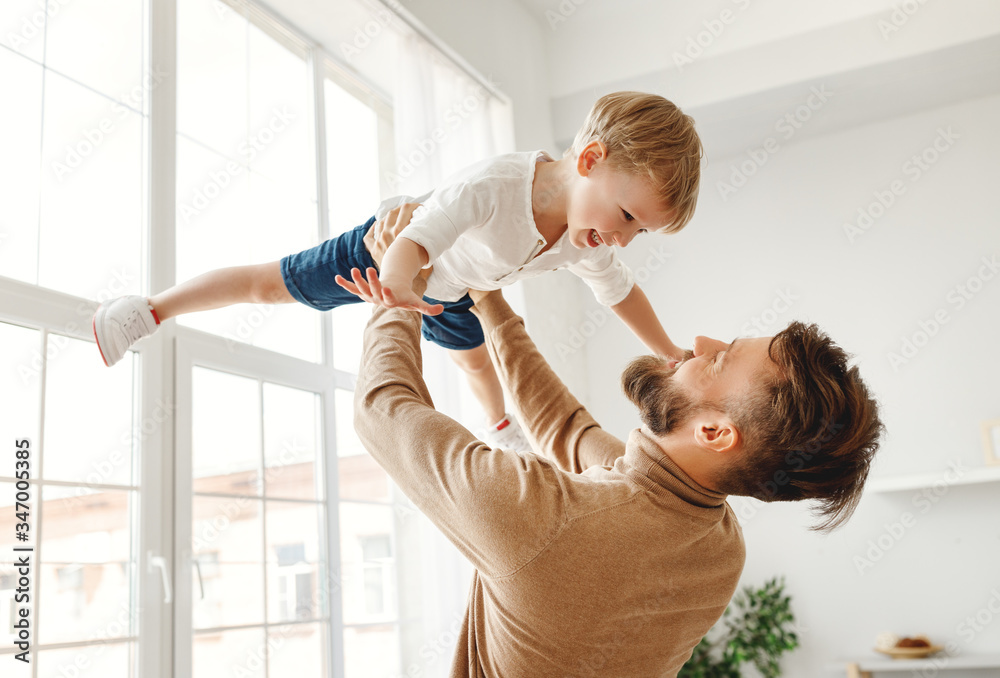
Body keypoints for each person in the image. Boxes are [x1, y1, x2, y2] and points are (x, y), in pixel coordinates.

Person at [350, 206, 884, 676]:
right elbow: (569, 432)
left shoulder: (546, 523)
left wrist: (396, 292)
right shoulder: (718, 544)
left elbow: (383, 412)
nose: (700, 342)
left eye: (719, 359)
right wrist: (490, 301)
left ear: (716, 432)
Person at [91, 91, 700, 450]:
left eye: (637, 230)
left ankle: (499, 425)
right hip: (396, 250)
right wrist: (398, 285)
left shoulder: (587, 237)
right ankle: (147, 309)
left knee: (474, 357)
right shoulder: (494, 186)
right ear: (589, 160)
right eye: (626, 215)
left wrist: (670, 349)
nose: (621, 237)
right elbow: (414, 241)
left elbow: (620, 292)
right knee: (269, 287)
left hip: (455, 285)